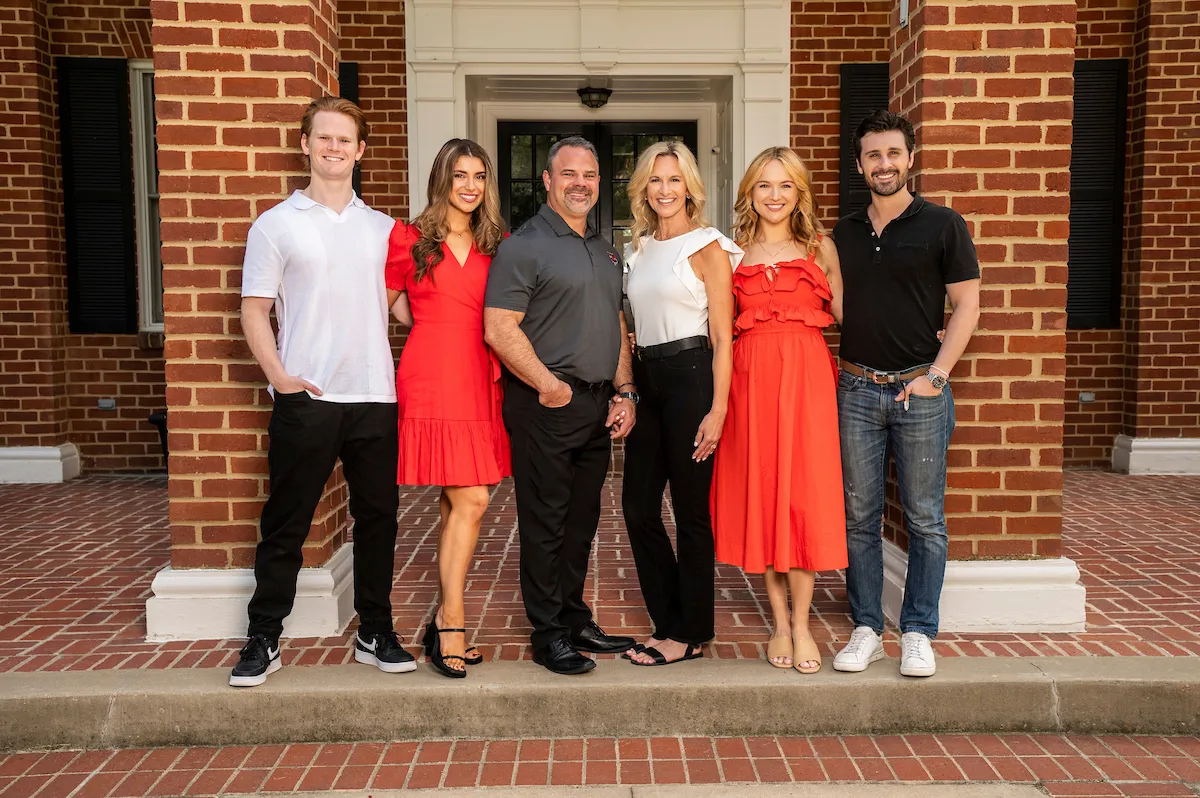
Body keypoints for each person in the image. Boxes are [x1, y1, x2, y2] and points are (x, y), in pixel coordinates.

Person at [231, 97, 414, 687]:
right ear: (305, 144)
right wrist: (280, 377)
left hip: (375, 396)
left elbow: (408, 311)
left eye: (346, 140)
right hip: (306, 395)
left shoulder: (385, 230)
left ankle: (374, 630)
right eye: (324, 138)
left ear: (361, 151)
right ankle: (264, 636)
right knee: (286, 520)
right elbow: (254, 311)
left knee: (378, 519)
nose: (334, 149)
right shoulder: (276, 224)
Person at [831, 110, 981, 679]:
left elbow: (966, 305)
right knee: (860, 515)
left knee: (924, 518)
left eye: (893, 153)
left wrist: (937, 375)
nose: (884, 164)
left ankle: (918, 630)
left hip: (921, 388)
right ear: (860, 163)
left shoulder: (943, 224)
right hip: (856, 387)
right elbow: (839, 306)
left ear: (910, 158)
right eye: (873, 155)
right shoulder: (842, 234)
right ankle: (867, 625)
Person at [484, 136, 638, 675]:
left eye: (590, 175)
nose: (580, 183)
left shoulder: (602, 247)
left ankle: (574, 617)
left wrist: (626, 391)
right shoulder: (523, 245)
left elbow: (615, 325)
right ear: (547, 181)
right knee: (545, 522)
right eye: (568, 174)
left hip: (596, 405)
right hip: (546, 404)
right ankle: (548, 633)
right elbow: (499, 327)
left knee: (581, 522)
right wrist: (548, 385)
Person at [709, 146, 848, 675]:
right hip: (751, 381)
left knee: (804, 496)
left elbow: (851, 316)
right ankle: (780, 624)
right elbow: (716, 330)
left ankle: (805, 621)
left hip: (808, 379)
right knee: (764, 492)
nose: (774, 195)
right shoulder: (730, 252)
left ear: (799, 193)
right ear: (750, 193)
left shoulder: (821, 248)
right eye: (764, 185)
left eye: (785, 185)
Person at [383, 138, 510, 679]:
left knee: (457, 501)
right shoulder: (409, 237)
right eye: (460, 174)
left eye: (479, 176)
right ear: (442, 179)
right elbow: (393, 301)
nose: (470, 185)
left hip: (480, 373)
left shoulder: (496, 242)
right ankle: (451, 621)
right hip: (432, 372)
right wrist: (435, 330)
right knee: (472, 498)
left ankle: (442, 618)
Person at [619, 141, 740, 667]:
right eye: (655, 180)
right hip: (648, 378)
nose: (664, 190)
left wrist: (717, 410)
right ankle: (669, 618)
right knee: (638, 508)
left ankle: (690, 631)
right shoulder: (638, 248)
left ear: (689, 186)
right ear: (644, 188)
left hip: (692, 376)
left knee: (690, 512)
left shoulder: (709, 247)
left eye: (674, 180)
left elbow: (723, 337)